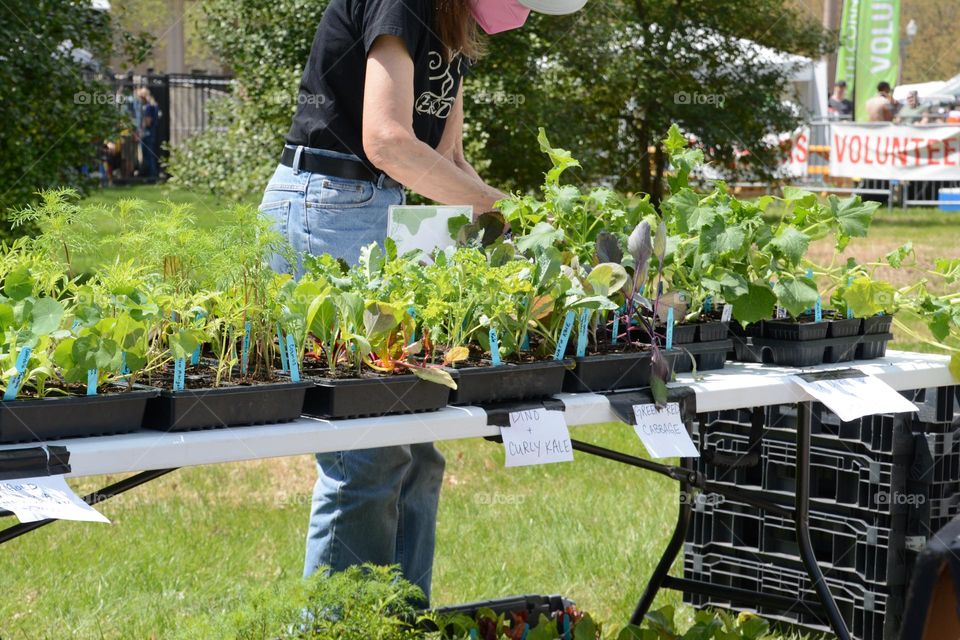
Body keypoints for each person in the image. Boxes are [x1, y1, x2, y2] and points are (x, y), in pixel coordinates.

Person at [259, 0, 589, 603]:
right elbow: (386, 141)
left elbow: (447, 163)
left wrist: (521, 240)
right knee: (367, 453)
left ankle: (405, 617)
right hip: (333, 207)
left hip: (393, 211)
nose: (519, 12)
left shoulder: (449, 25)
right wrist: (503, 207)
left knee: (417, 453)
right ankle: (346, 625)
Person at [137, 87, 160, 181]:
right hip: (150, 133)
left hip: (147, 134)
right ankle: (151, 175)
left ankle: (151, 176)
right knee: (149, 155)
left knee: (148, 156)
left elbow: (148, 121)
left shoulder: (149, 107)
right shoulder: (153, 105)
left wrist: (141, 128)